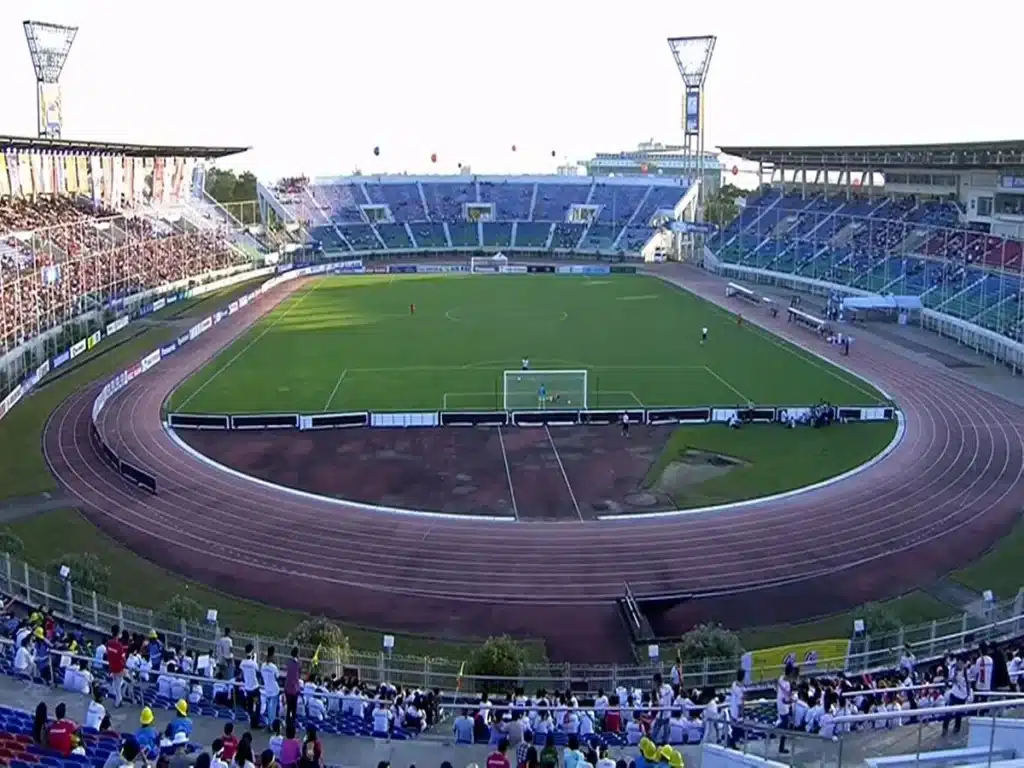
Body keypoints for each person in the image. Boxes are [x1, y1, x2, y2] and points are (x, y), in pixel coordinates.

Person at [240, 644, 261, 729]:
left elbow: (242, 670)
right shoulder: (253, 663)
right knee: (257, 705)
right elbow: (257, 669)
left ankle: (252, 722)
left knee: (251, 707)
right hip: (254, 689)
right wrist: (254, 659)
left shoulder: (243, 662)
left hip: (248, 689)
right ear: (252, 651)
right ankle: (256, 722)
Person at [261, 648, 281, 731]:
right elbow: (277, 676)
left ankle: (270, 724)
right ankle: (272, 725)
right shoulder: (274, 667)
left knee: (269, 708)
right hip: (274, 690)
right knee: (272, 708)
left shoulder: (263, 666)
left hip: (267, 689)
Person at [284, 647, 301, 727]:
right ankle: (292, 723)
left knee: (289, 707)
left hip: (287, 688)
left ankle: (288, 722)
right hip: (294, 688)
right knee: (293, 708)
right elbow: (298, 675)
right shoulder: (298, 664)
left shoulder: (288, 662)